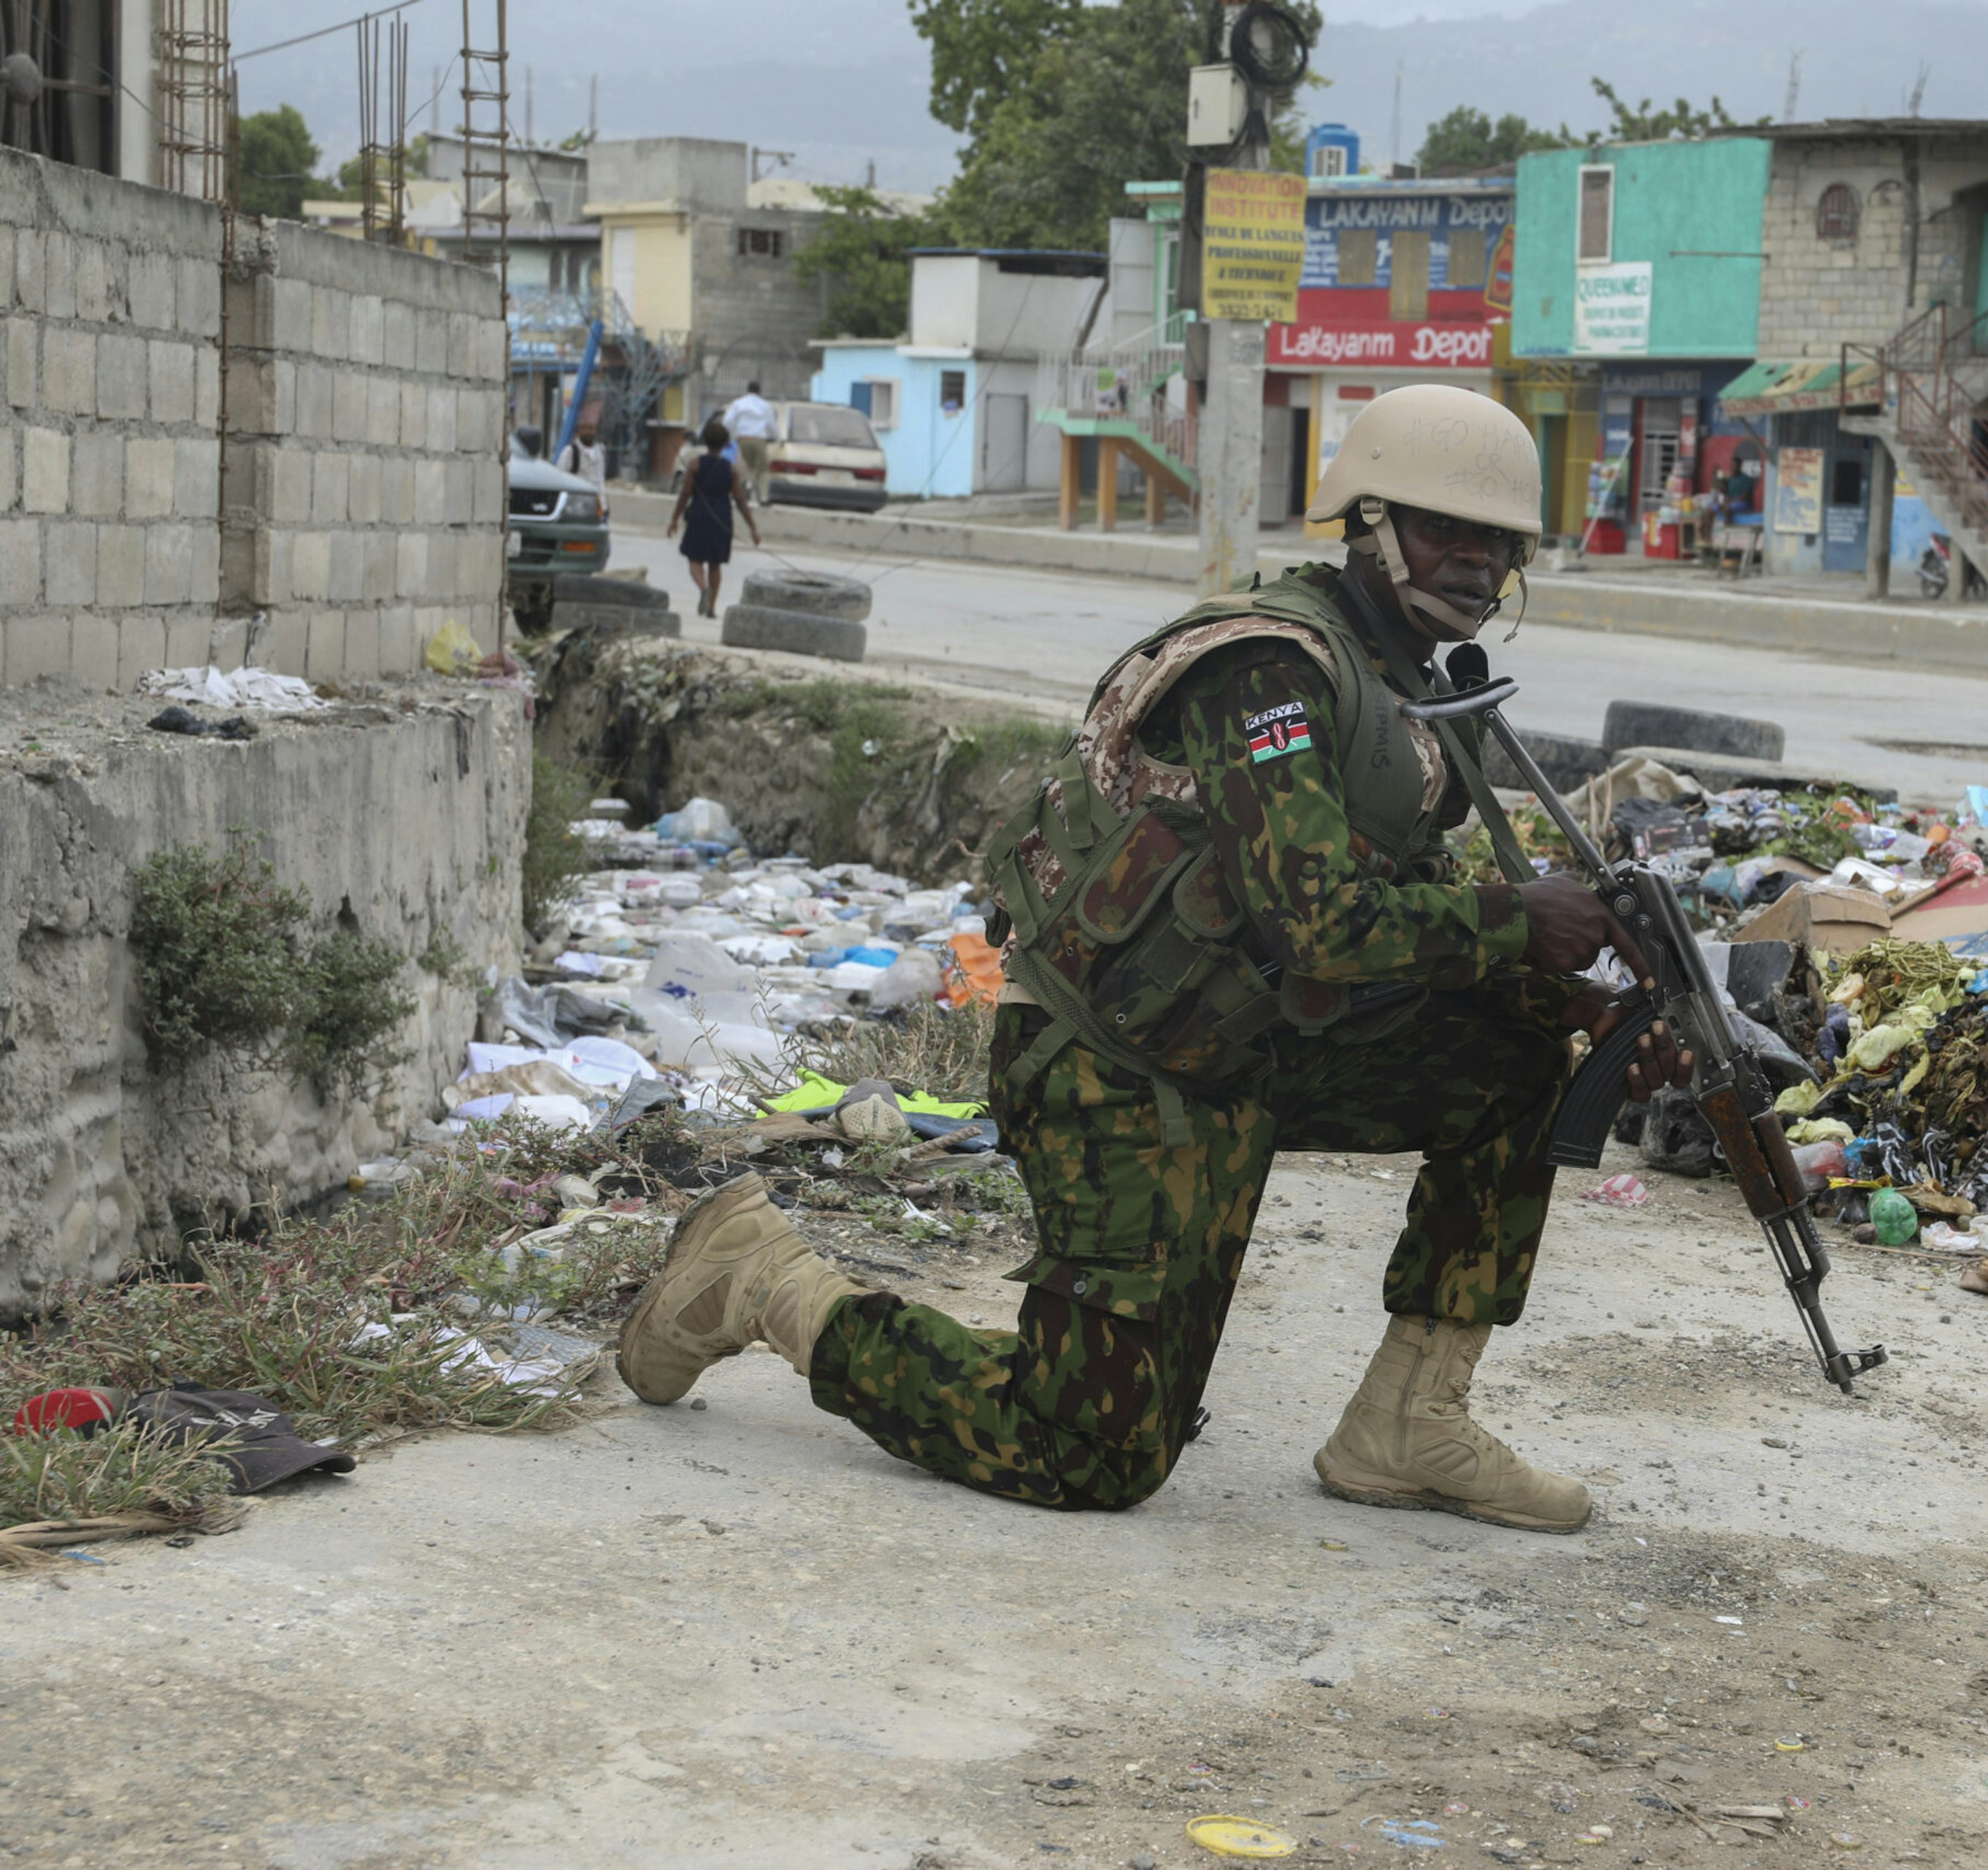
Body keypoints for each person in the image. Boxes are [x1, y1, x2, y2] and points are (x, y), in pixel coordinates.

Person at [618, 384, 1694, 1533]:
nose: (1478, 565)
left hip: (1249, 1043)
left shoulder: (1413, 690)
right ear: (1369, 526)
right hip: (1113, 1066)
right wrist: (1517, 922)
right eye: (1446, 533)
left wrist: (1557, 992)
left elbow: (1404, 900)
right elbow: (1319, 920)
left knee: (1520, 1055)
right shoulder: (1266, 672)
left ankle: (1410, 1419)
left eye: (1501, 543)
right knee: (1089, 1451)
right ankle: (765, 1280)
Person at [664, 415, 757, 618]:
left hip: (699, 515)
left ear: (705, 441)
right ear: (725, 444)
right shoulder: (730, 469)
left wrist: (674, 519)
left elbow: (685, 494)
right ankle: (712, 608)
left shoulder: (695, 465)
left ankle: (703, 588)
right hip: (722, 517)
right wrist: (753, 528)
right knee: (715, 564)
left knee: (694, 559)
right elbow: (740, 500)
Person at [726, 380, 778, 505]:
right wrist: (778, 438)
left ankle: (748, 485)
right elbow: (772, 424)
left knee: (750, 466)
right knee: (763, 469)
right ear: (759, 391)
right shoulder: (765, 405)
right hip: (758, 440)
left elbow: (728, 421)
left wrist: (730, 436)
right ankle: (764, 497)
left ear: (747, 390)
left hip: (743, 439)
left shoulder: (738, 404)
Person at [554, 416, 607, 494]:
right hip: (577, 500)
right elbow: (560, 477)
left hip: (596, 499)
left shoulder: (601, 450)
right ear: (578, 431)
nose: (588, 432)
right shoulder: (570, 451)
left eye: (591, 428)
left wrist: (604, 503)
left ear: (596, 430)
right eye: (584, 428)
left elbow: (600, 479)